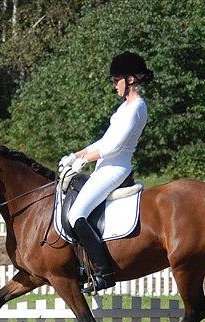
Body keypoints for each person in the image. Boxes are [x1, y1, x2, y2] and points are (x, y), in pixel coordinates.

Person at [59, 51, 153, 294]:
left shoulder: (137, 107)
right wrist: (76, 155)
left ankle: (104, 273)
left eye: (116, 80)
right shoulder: (124, 108)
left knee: (76, 214)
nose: (114, 86)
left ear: (130, 80)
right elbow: (104, 140)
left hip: (116, 168)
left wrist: (85, 161)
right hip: (104, 167)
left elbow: (113, 147)